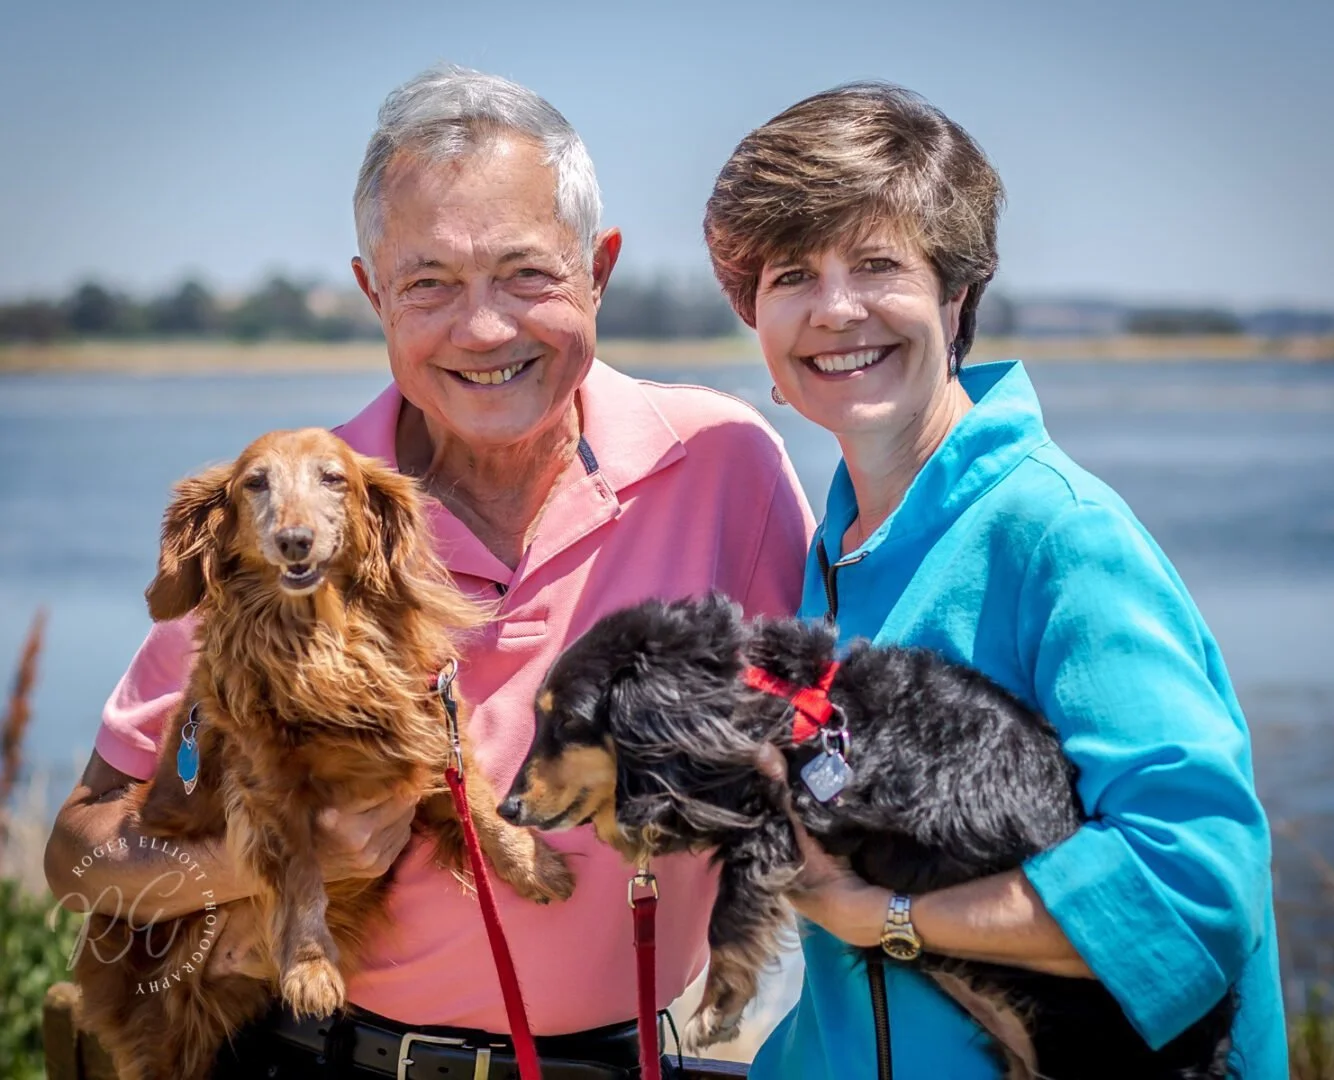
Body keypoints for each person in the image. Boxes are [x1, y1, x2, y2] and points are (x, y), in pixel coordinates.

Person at [44, 64, 815, 1079]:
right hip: (311, 1059)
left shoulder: (725, 465)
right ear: (373, 293)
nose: (484, 328)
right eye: (429, 284)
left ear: (599, 268)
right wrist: (254, 864)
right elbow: (75, 861)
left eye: (525, 274)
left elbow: (818, 757)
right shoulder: (284, 514)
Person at [702, 82, 1285, 1079]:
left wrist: (889, 920)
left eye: (877, 263)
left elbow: (1192, 884)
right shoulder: (836, 551)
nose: (835, 308)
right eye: (792, 273)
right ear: (755, 316)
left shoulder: (1059, 533)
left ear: (956, 295)